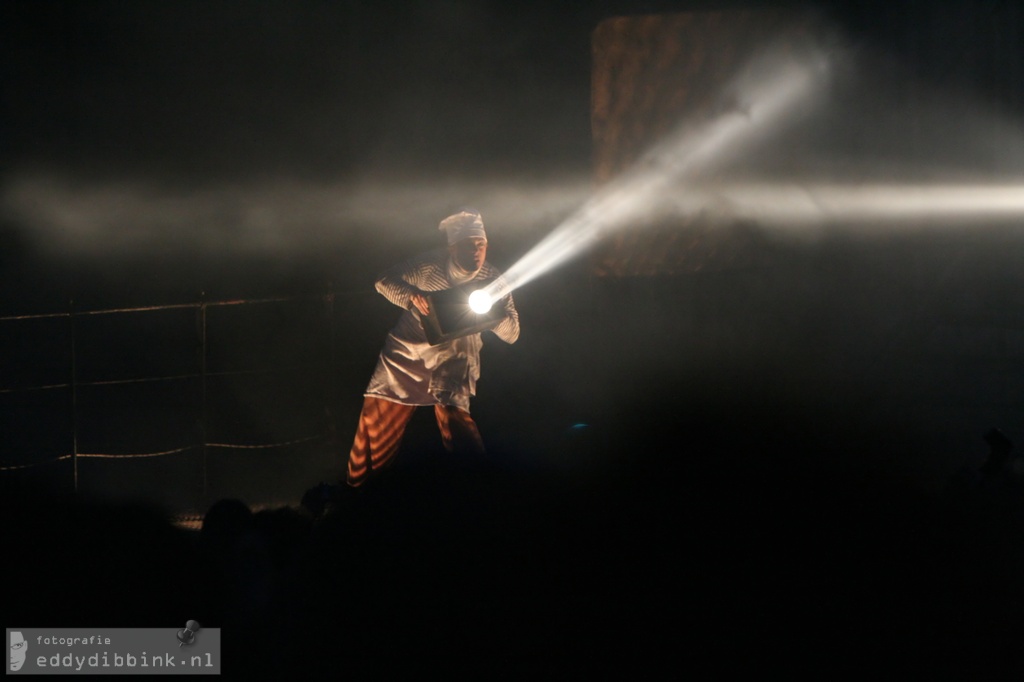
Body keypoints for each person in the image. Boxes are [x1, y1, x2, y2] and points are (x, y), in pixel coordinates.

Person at [345, 209, 520, 487]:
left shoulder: (493, 279)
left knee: (456, 421)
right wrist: (412, 295)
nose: (476, 252)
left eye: (481, 245)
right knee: (375, 423)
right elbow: (383, 281)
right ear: (452, 248)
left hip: (456, 355)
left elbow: (513, 333)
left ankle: (482, 491)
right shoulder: (430, 265)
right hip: (410, 352)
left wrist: (493, 318)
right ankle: (356, 499)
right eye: (468, 245)